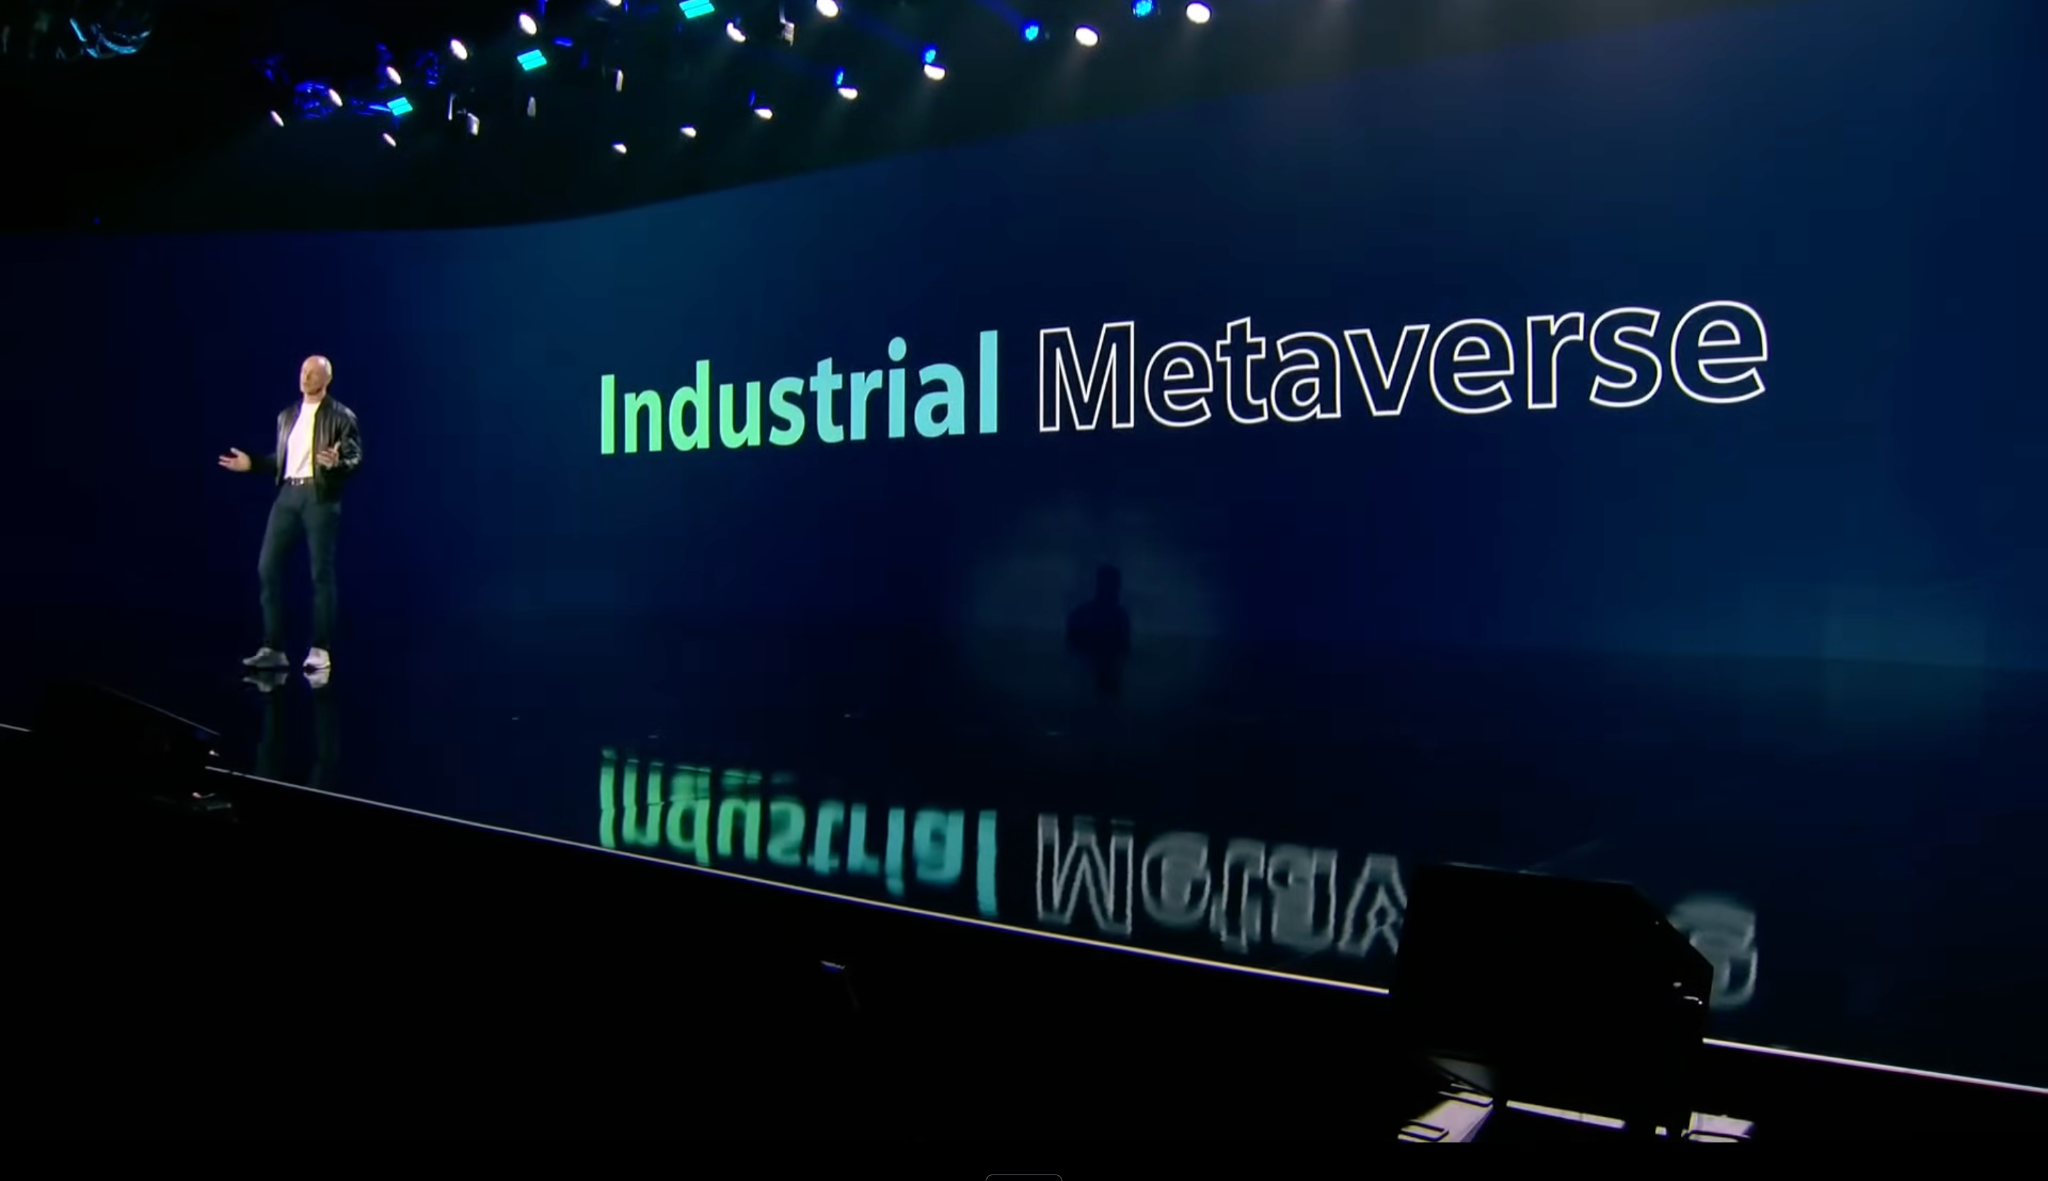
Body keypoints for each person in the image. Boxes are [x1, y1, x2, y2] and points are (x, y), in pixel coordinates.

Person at [217, 355, 363, 673]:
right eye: (303, 371)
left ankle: (320, 650)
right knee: (267, 566)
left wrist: (336, 464)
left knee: (320, 573)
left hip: (319, 497)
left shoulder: (341, 416)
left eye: (313, 373)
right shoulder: (287, 416)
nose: (306, 377)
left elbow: (354, 457)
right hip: (288, 496)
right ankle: (273, 648)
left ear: (327, 380)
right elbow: (283, 459)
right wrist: (253, 464)